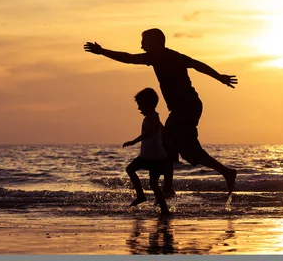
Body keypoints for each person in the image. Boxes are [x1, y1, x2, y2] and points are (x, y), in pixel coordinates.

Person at [85, 28, 237, 196]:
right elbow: (196, 64)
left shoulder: (160, 56)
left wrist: (102, 52)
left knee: (184, 149)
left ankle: (219, 174)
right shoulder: (167, 56)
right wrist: (219, 77)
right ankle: (170, 187)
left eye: (144, 42)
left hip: (187, 107)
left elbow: (129, 58)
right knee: (173, 145)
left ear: (155, 43)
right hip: (185, 108)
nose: (142, 46)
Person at [123, 88, 170, 215]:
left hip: (154, 157)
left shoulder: (153, 117)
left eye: (140, 105)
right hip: (150, 156)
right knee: (152, 183)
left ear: (148, 104)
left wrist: (133, 141)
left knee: (150, 182)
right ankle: (161, 208)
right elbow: (164, 133)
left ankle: (155, 204)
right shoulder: (152, 118)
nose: (139, 108)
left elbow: (149, 133)